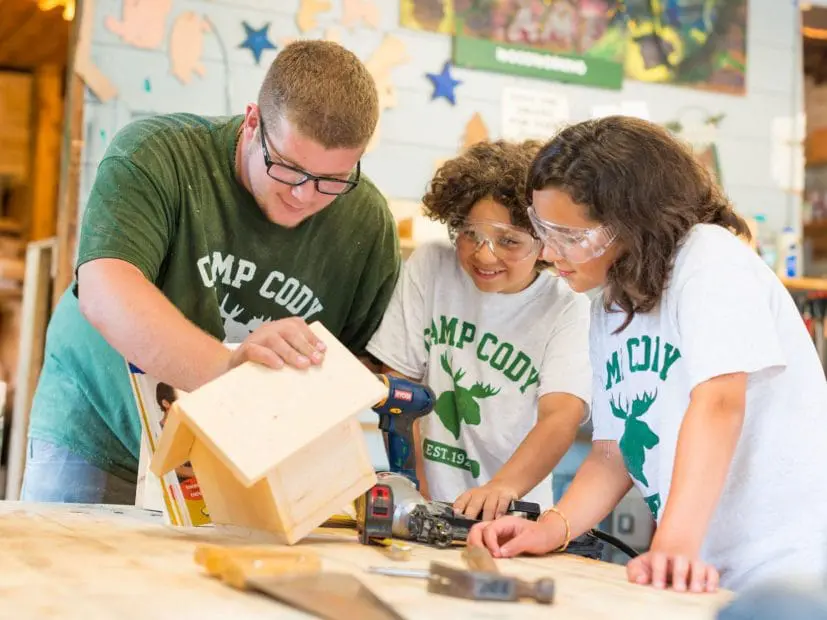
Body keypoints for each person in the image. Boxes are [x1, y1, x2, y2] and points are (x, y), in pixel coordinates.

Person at [21, 40, 401, 505]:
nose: (304, 195)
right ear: (253, 122)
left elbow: (363, 364)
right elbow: (105, 292)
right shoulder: (156, 155)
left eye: (332, 180)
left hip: (240, 463)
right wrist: (229, 369)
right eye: (288, 168)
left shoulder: (366, 221)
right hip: (100, 439)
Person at [468, 116, 827, 593]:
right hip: (711, 566)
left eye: (572, 238)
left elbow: (720, 404)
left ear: (632, 223)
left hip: (789, 561)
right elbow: (613, 453)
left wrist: (673, 544)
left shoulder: (709, 260)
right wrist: (551, 529)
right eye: (543, 229)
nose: (549, 252)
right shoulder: (611, 303)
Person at [366, 140, 592, 521]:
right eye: (471, 234)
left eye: (508, 241)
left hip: (513, 517)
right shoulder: (432, 267)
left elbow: (560, 417)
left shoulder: (568, 305)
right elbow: (400, 390)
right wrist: (417, 493)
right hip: (427, 505)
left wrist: (502, 489)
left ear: (545, 244)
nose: (484, 254)